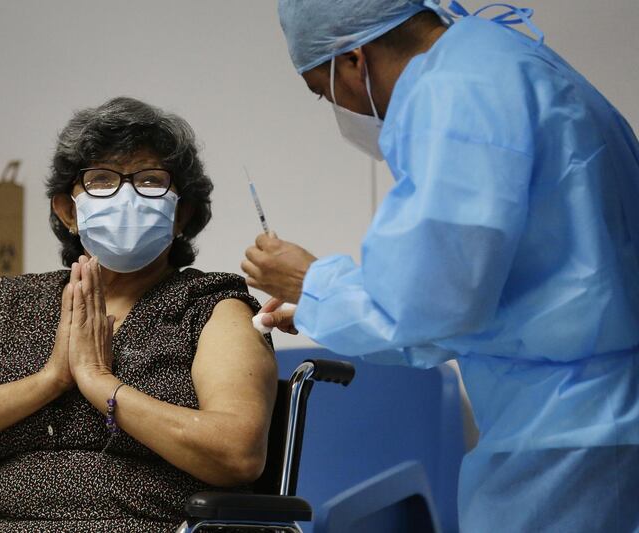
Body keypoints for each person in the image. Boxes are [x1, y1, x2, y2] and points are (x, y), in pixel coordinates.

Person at [241, 1, 639, 531]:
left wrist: (311, 282)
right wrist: (317, 307)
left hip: (563, 435)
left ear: (354, 59)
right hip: (599, 416)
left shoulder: (452, 95)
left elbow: (428, 307)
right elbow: (475, 294)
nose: (340, 109)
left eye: (323, 90)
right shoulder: (503, 59)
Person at [0, 97, 278, 532]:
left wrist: (102, 384)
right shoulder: (19, 302)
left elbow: (237, 453)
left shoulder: (211, 306)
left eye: (149, 180)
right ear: (67, 211)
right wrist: (52, 379)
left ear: (182, 214)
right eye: (101, 179)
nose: (126, 196)